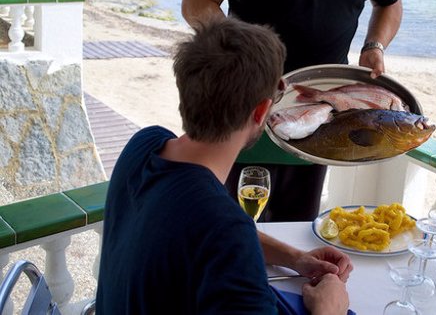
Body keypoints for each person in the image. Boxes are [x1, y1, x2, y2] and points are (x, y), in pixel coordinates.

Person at [181, 0, 403, 222]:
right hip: (246, 102)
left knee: (298, 222)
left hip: (325, 107)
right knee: (230, 223)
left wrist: (374, 45)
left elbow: (390, 5)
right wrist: (240, 55)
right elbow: (196, 3)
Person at [96, 18, 352, 314]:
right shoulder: (226, 231)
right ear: (260, 112)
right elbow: (220, 233)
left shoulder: (143, 146)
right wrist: (329, 308)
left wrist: (295, 258)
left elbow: (208, 233)